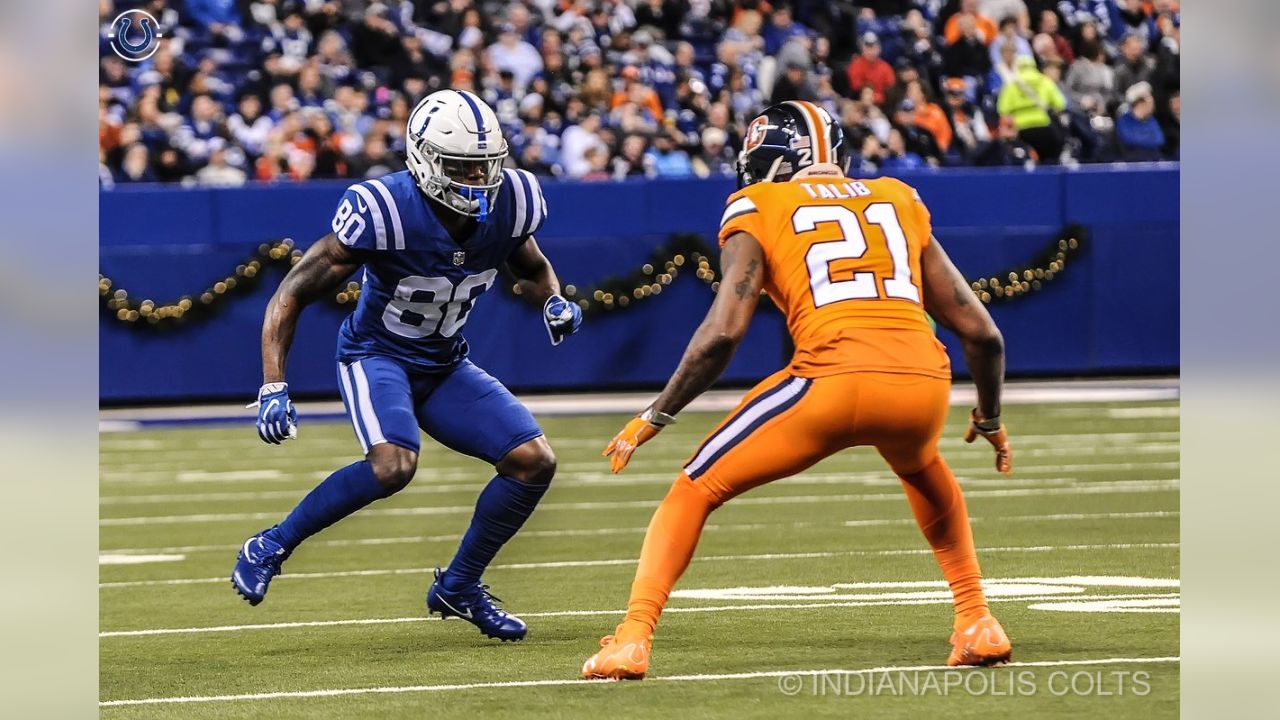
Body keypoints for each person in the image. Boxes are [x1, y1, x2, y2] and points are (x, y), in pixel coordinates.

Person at [581, 100, 1014, 680]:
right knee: (922, 467)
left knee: (692, 489)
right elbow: (982, 333)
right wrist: (987, 416)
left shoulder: (757, 202)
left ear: (777, 161)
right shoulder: (898, 196)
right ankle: (977, 620)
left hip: (829, 382)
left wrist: (657, 413)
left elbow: (722, 333)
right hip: (922, 384)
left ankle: (632, 639)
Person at [231, 90, 583, 643]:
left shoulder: (511, 202)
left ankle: (460, 585)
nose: (478, 177)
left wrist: (552, 299)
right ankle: (271, 543)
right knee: (393, 465)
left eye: (486, 165)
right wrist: (274, 382)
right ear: (423, 158)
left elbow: (533, 265)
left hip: (445, 363)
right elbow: (293, 292)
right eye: (463, 165)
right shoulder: (386, 208)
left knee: (533, 461)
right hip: (377, 355)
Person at [997, 55, 1067, 162]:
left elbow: (1002, 109)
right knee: (1049, 157)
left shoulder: (1011, 85)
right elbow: (1060, 104)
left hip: (1021, 129)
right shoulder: (1044, 81)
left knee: (1024, 159)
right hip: (1043, 126)